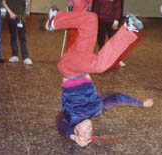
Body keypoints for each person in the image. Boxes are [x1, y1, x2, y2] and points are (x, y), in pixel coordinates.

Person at [45, 7, 150, 147]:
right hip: (79, 58)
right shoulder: (97, 108)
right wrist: (141, 103)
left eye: (85, 132)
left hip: (69, 68)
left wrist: (73, 137)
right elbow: (117, 98)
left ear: (77, 129)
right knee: (91, 19)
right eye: (91, 131)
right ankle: (55, 20)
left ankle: (128, 29)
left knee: (100, 65)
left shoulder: (70, 117)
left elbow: (60, 124)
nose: (89, 129)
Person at [93, 0, 126, 67]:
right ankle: (101, 58)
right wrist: (95, 19)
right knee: (100, 40)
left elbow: (118, 8)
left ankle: (118, 60)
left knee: (114, 41)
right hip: (101, 21)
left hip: (112, 22)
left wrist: (116, 21)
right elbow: (96, 8)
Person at [2, 0, 33, 65]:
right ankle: (14, 55)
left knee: (22, 37)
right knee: (13, 36)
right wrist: (10, 13)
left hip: (21, 16)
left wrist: (28, 9)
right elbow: (3, 3)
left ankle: (25, 57)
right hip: (11, 16)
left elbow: (29, 0)